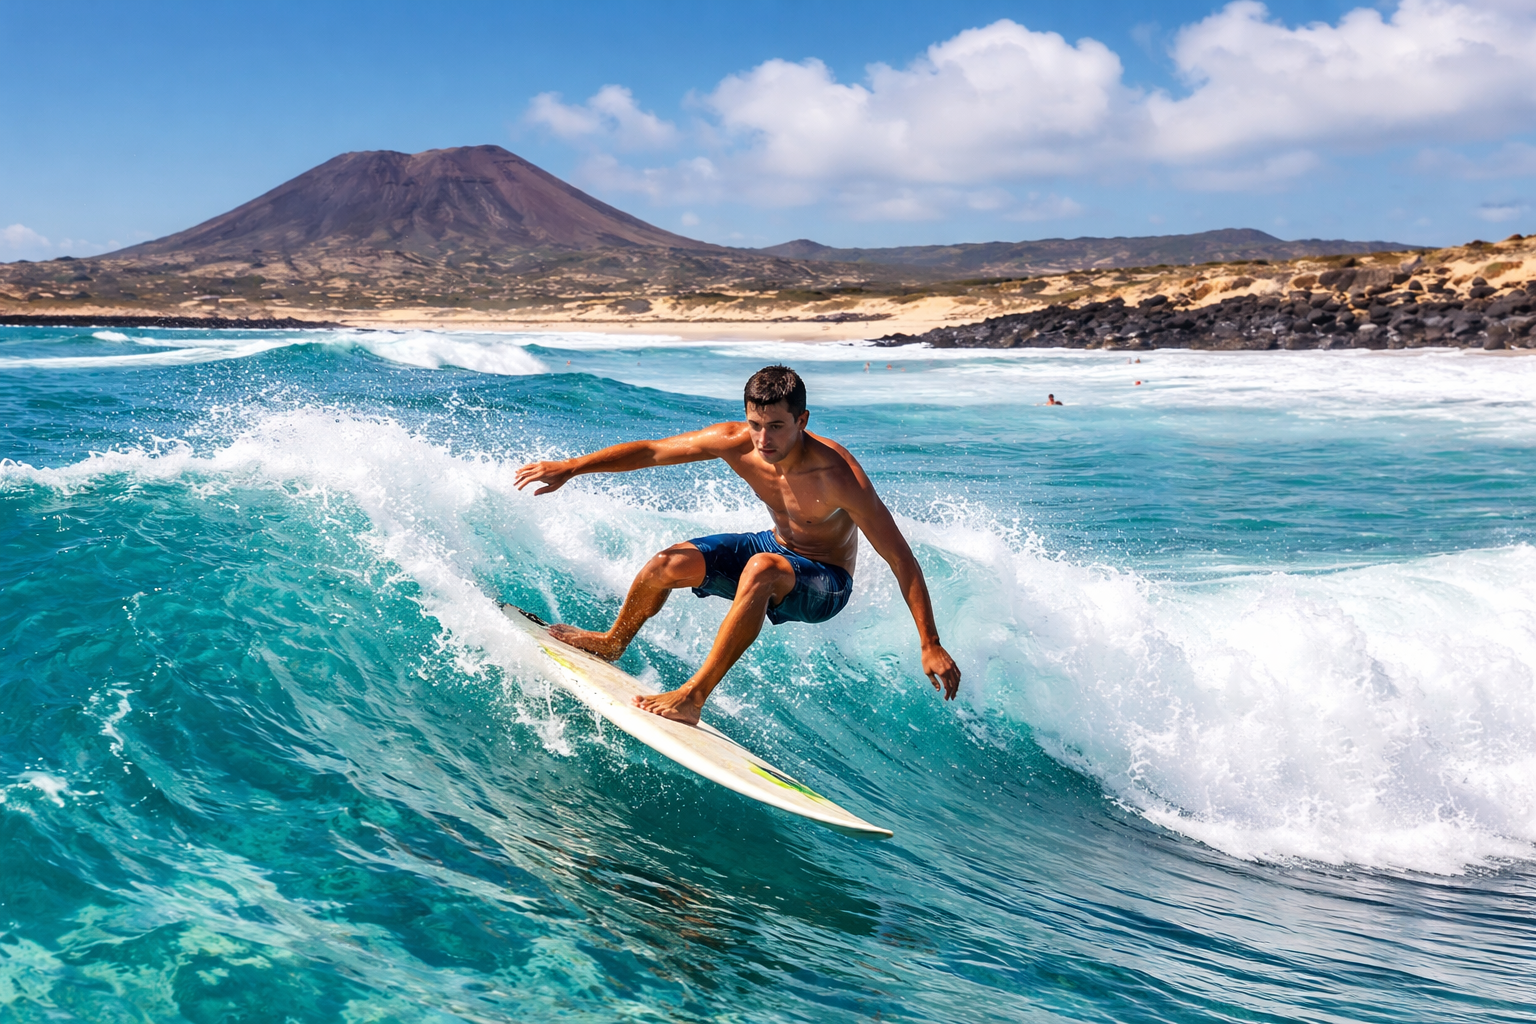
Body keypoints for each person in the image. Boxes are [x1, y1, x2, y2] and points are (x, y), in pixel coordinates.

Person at [513, 365, 962, 725]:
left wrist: (930, 642)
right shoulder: (737, 442)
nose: (763, 440)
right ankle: (613, 642)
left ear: (802, 421)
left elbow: (901, 559)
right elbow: (652, 451)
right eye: (755, 424)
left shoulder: (838, 476)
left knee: (763, 568)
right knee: (665, 564)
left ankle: (693, 696)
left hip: (826, 582)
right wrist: (572, 467)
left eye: (777, 427)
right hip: (774, 547)